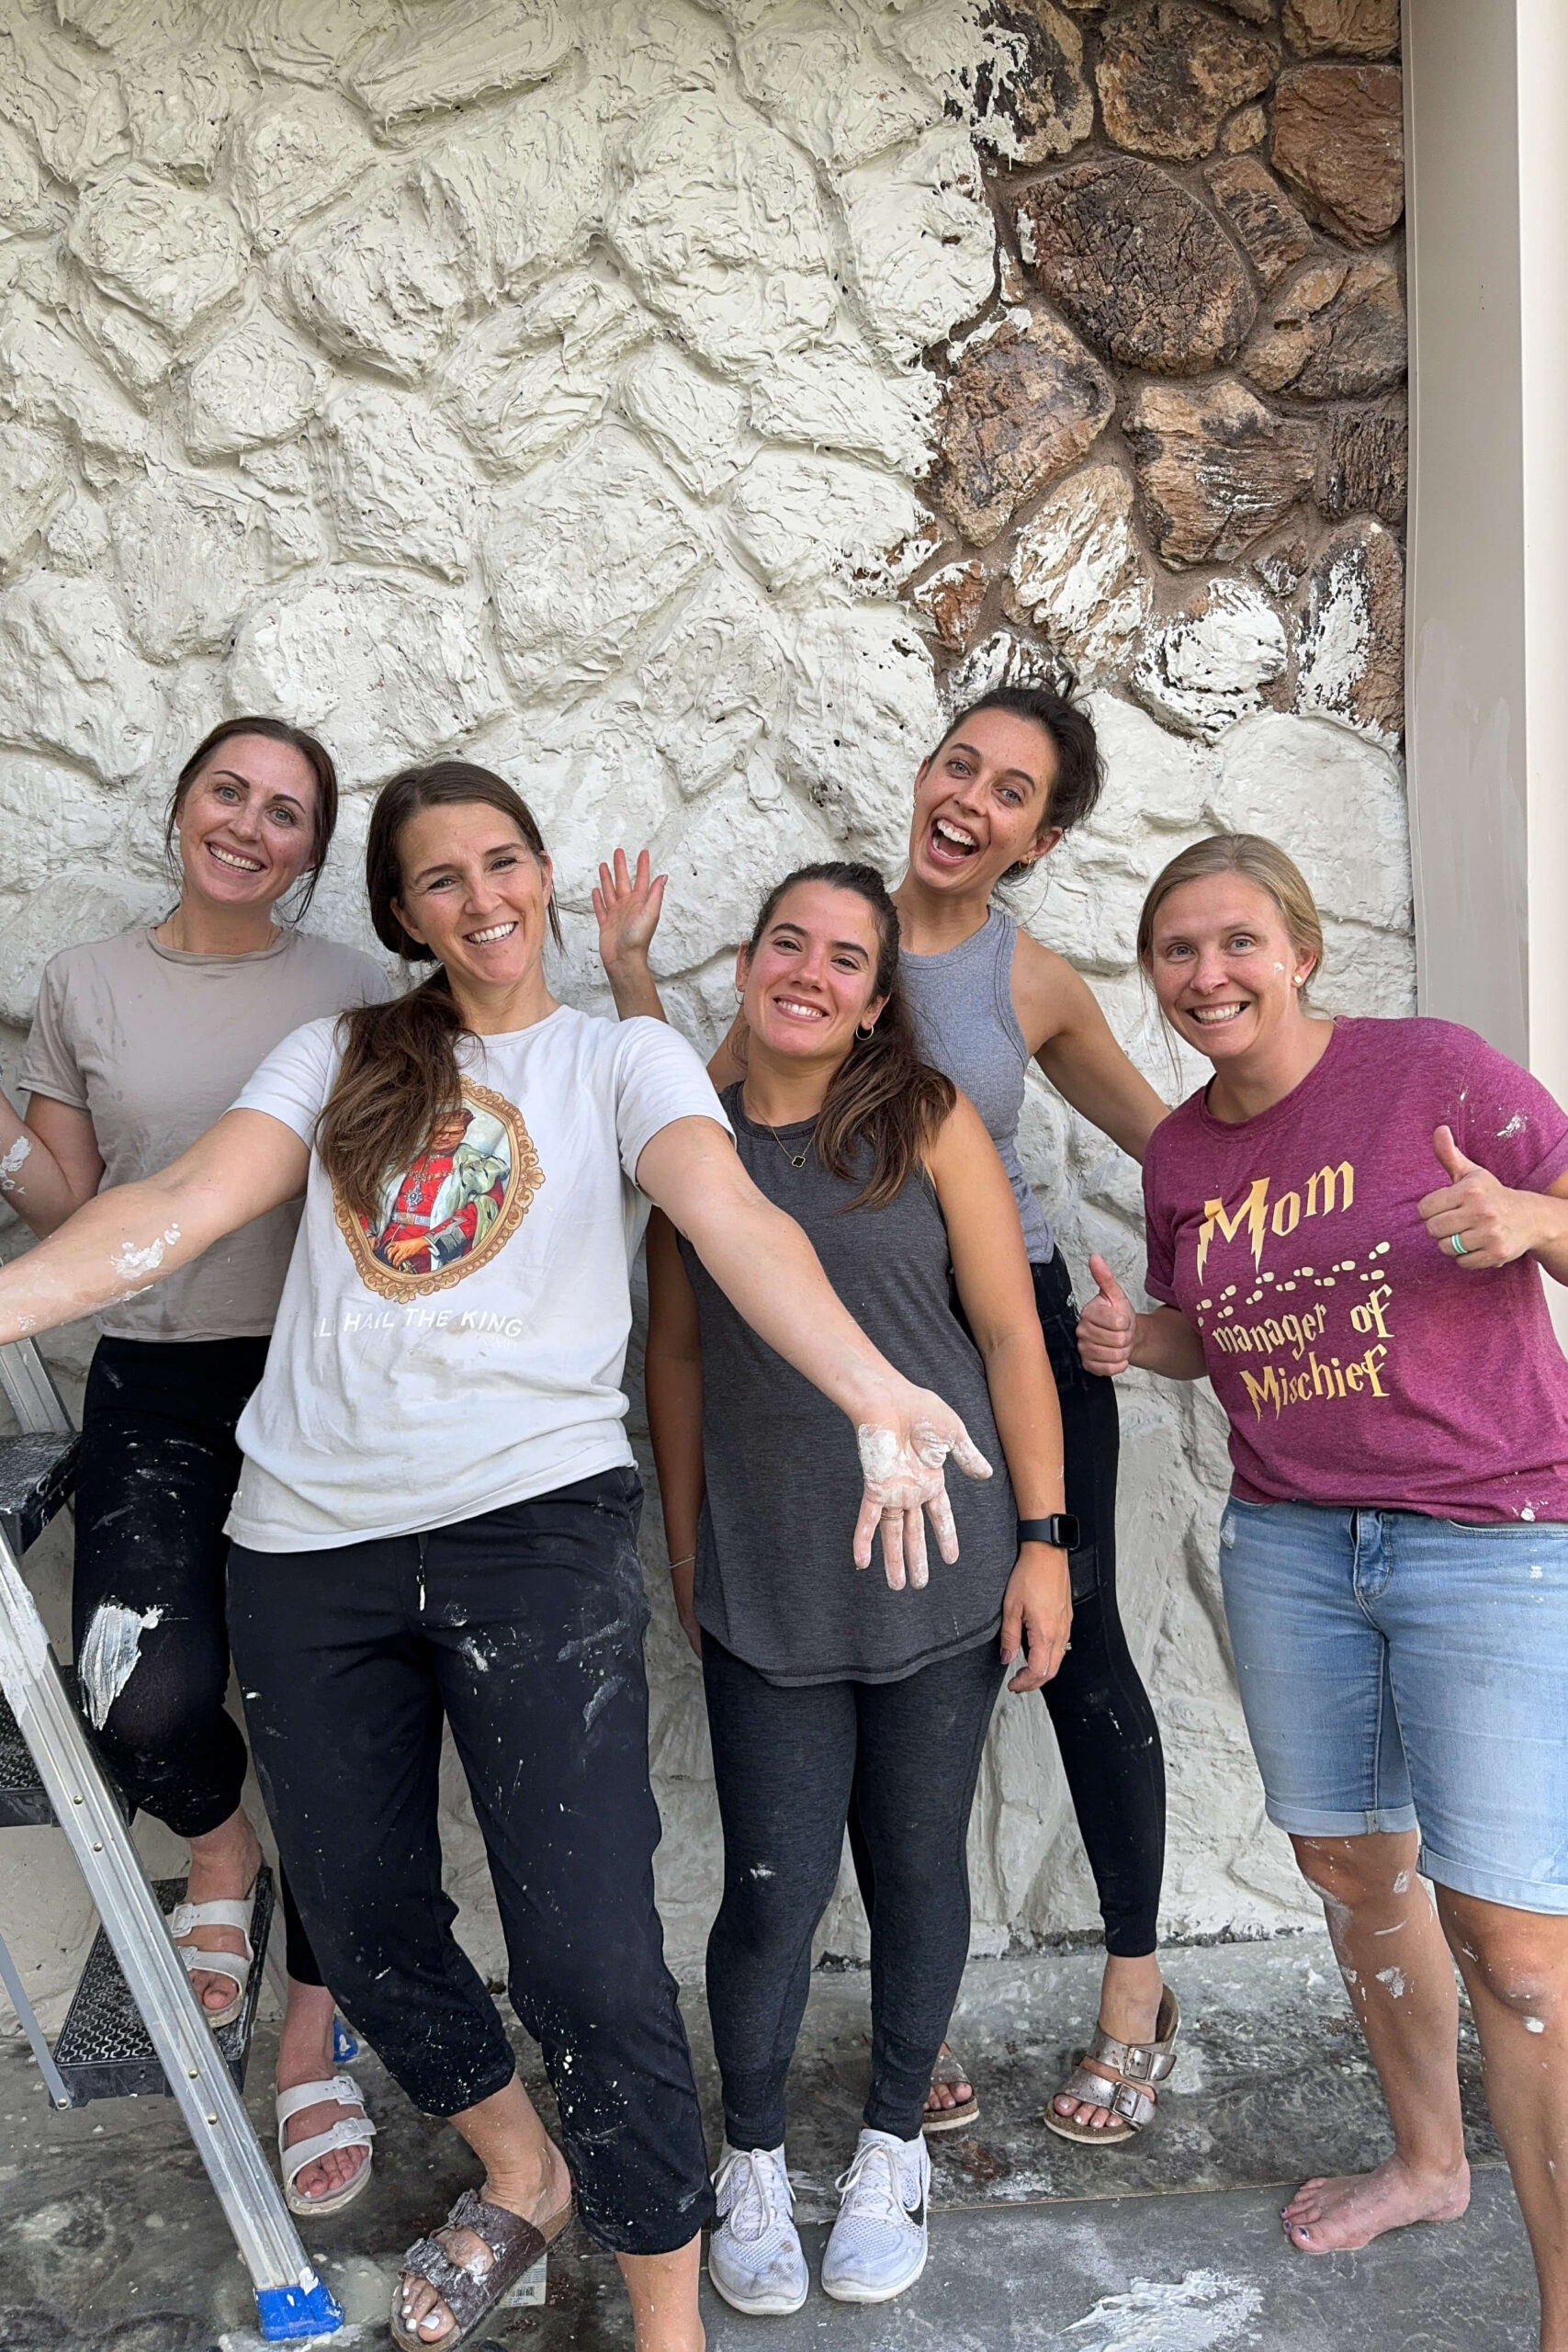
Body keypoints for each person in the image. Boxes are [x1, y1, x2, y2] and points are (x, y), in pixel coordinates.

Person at [0, 763, 992, 2352]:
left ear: (540, 873)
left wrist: (878, 1387)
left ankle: (667, 2328)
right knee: (371, 1929)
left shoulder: (622, 1055)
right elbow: (179, 1204)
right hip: (306, 1541)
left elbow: (734, 1220)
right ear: (402, 913)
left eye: (504, 860)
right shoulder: (338, 1052)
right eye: (441, 877)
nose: (483, 897)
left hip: (531, 1529)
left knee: (592, 1963)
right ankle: (521, 2173)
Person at [598, 686, 1178, 2143]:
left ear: (1039, 839)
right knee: (828, 1755)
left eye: (1013, 792)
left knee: (1067, 1640)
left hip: (1007, 1338)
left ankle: (1130, 1988)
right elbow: (696, 1141)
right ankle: (901, 2042)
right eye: (959, 764)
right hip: (825, 1367)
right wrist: (627, 980)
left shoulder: (1022, 980)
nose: (972, 799)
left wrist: (1230, 1276)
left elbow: (1162, 1140)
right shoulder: (819, 946)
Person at [1077, 832, 1568, 2351]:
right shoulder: (1183, 1155)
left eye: (1235, 943)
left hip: (1490, 1534)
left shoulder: (1431, 1070)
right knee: (1355, 1874)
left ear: (1300, 950)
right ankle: (1430, 2165)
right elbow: (1210, 1332)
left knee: (1520, 1940)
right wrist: (1134, 1346)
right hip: (1292, 1546)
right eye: (1175, 951)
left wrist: (1537, 1224)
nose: (1206, 976)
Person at [644, 861, 1072, 2312]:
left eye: (845, 958)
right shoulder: (687, 1144)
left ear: (878, 999)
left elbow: (1013, 1340)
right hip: (767, 1578)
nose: (811, 974)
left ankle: (894, 2144)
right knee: (770, 1891)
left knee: (915, 1864)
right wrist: (692, 1549)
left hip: (942, 1568)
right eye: (787, 944)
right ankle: (752, 2156)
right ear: (750, 962)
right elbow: (681, 1357)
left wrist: (1044, 1540)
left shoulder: (928, 1122)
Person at [0, 717, 386, 2215]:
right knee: (136, 1690)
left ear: (310, 853)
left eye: (287, 812)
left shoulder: (355, 990)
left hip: (320, 1386)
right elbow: (74, 1206)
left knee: (343, 1735)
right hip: (154, 1381)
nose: (249, 824)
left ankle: (315, 2026)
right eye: (228, 792)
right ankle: (220, 1854)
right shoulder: (85, 984)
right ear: (179, 808)